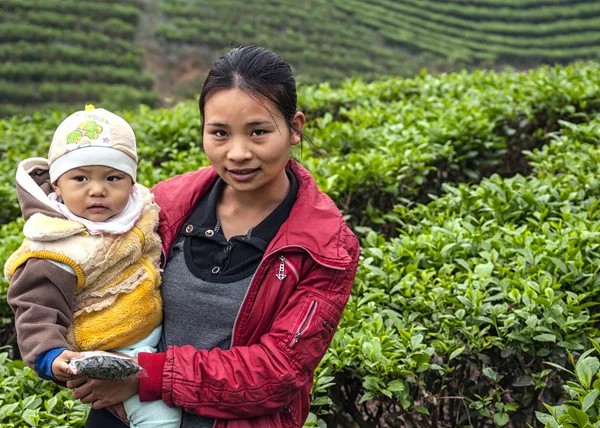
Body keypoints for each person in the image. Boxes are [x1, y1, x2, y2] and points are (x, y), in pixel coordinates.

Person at [69, 45, 361, 428]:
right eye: (219, 133)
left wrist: (147, 376)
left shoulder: (326, 247)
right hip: (123, 412)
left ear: (294, 129)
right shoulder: (166, 204)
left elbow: (278, 372)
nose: (238, 153)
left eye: (258, 132)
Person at [5, 105, 182, 428]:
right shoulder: (56, 245)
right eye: (80, 178)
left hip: (154, 336)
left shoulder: (138, 214)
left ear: (131, 183)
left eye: (113, 177)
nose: (97, 189)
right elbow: (34, 306)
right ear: (57, 185)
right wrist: (50, 355)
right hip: (107, 349)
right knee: (162, 418)